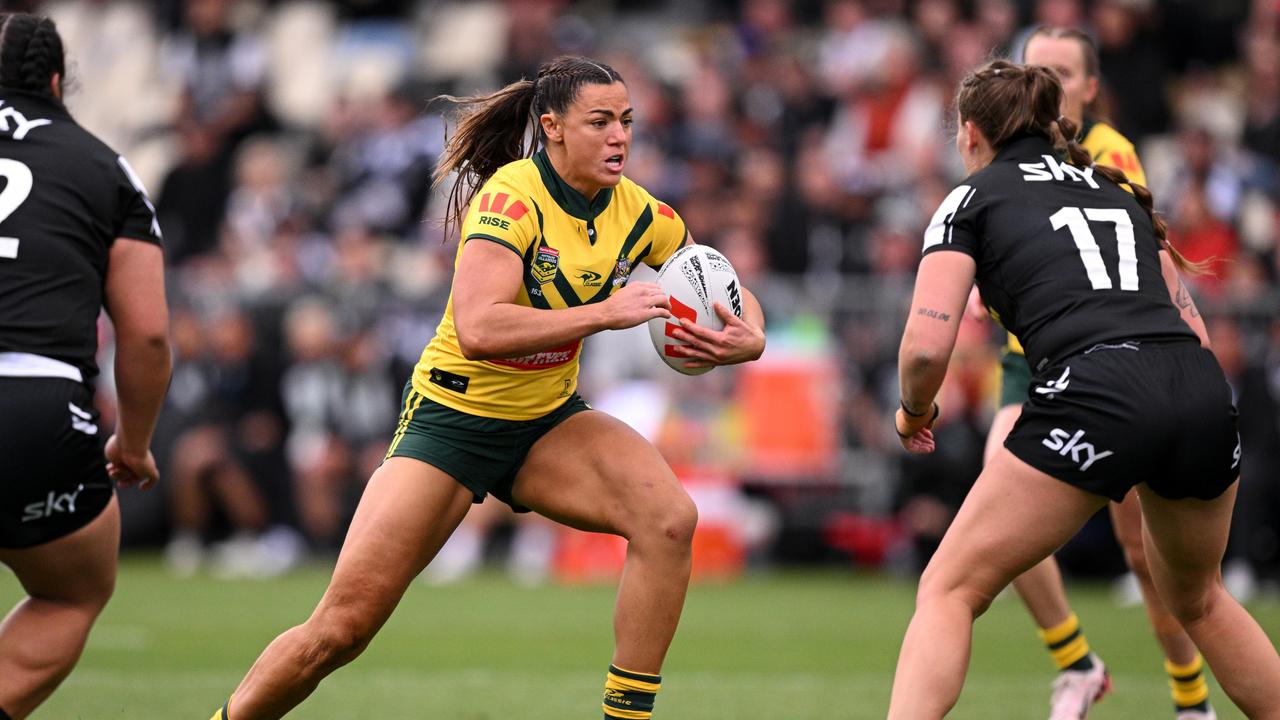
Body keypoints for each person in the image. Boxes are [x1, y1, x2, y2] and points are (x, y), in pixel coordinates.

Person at [207, 55, 766, 720]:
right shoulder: (510, 198)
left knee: (670, 520)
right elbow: (479, 327)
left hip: (546, 423)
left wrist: (750, 335)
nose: (620, 136)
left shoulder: (640, 212)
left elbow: (713, 278)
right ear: (553, 128)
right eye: (600, 122)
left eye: (627, 122)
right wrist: (603, 313)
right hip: (451, 420)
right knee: (340, 630)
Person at [887, 59, 1280, 720]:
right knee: (1202, 598)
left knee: (949, 588)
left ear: (972, 133)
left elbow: (926, 346)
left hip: (1101, 389)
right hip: (1199, 389)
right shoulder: (1116, 187)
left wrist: (913, 411)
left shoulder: (971, 197)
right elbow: (1198, 335)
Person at [971, 26, 1217, 720]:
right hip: (1032, 358)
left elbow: (1140, 252)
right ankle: (1077, 662)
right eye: (1033, 70)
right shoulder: (1004, 150)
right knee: (997, 505)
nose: (1044, 84)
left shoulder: (1110, 154)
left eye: (1059, 72)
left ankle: (1190, 696)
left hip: (1111, 356)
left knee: (1143, 551)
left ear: (1088, 87)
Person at [0, 13, 170, 720]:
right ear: (60, 82)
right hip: (34, 407)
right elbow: (149, 336)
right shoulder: (103, 167)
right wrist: (131, 444)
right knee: (71, 591)